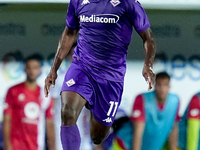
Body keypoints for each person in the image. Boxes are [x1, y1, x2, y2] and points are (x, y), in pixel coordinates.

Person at [44, 0, 156, 149]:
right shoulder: (77, 2)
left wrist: (148, 64)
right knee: (67, 112)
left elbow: (148, 38)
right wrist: (54, 68)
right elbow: (70, 32)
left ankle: (97, 111)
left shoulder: (128, 3)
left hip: (110, 76)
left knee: (97, 137)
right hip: (82, 66)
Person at [3, 54, 55, 150]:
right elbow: (7, 119)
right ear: (25, 69)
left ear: (40, 70)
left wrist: (52, 146)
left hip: (36, 146)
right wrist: (7, 143)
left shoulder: (45, 94)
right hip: (16, 145)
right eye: (29, 68)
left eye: (35, 68)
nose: (32, 71)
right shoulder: (13, 91)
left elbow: (49, 123)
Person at [130, 72, 180, 150]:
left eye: (165, 84)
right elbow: (138, 133)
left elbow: (173, 129)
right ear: (154, 85)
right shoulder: (142, 99)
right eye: (159, 84)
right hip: (125, 146)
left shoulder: (175, 101)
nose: (162, 89)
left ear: (169, 86)